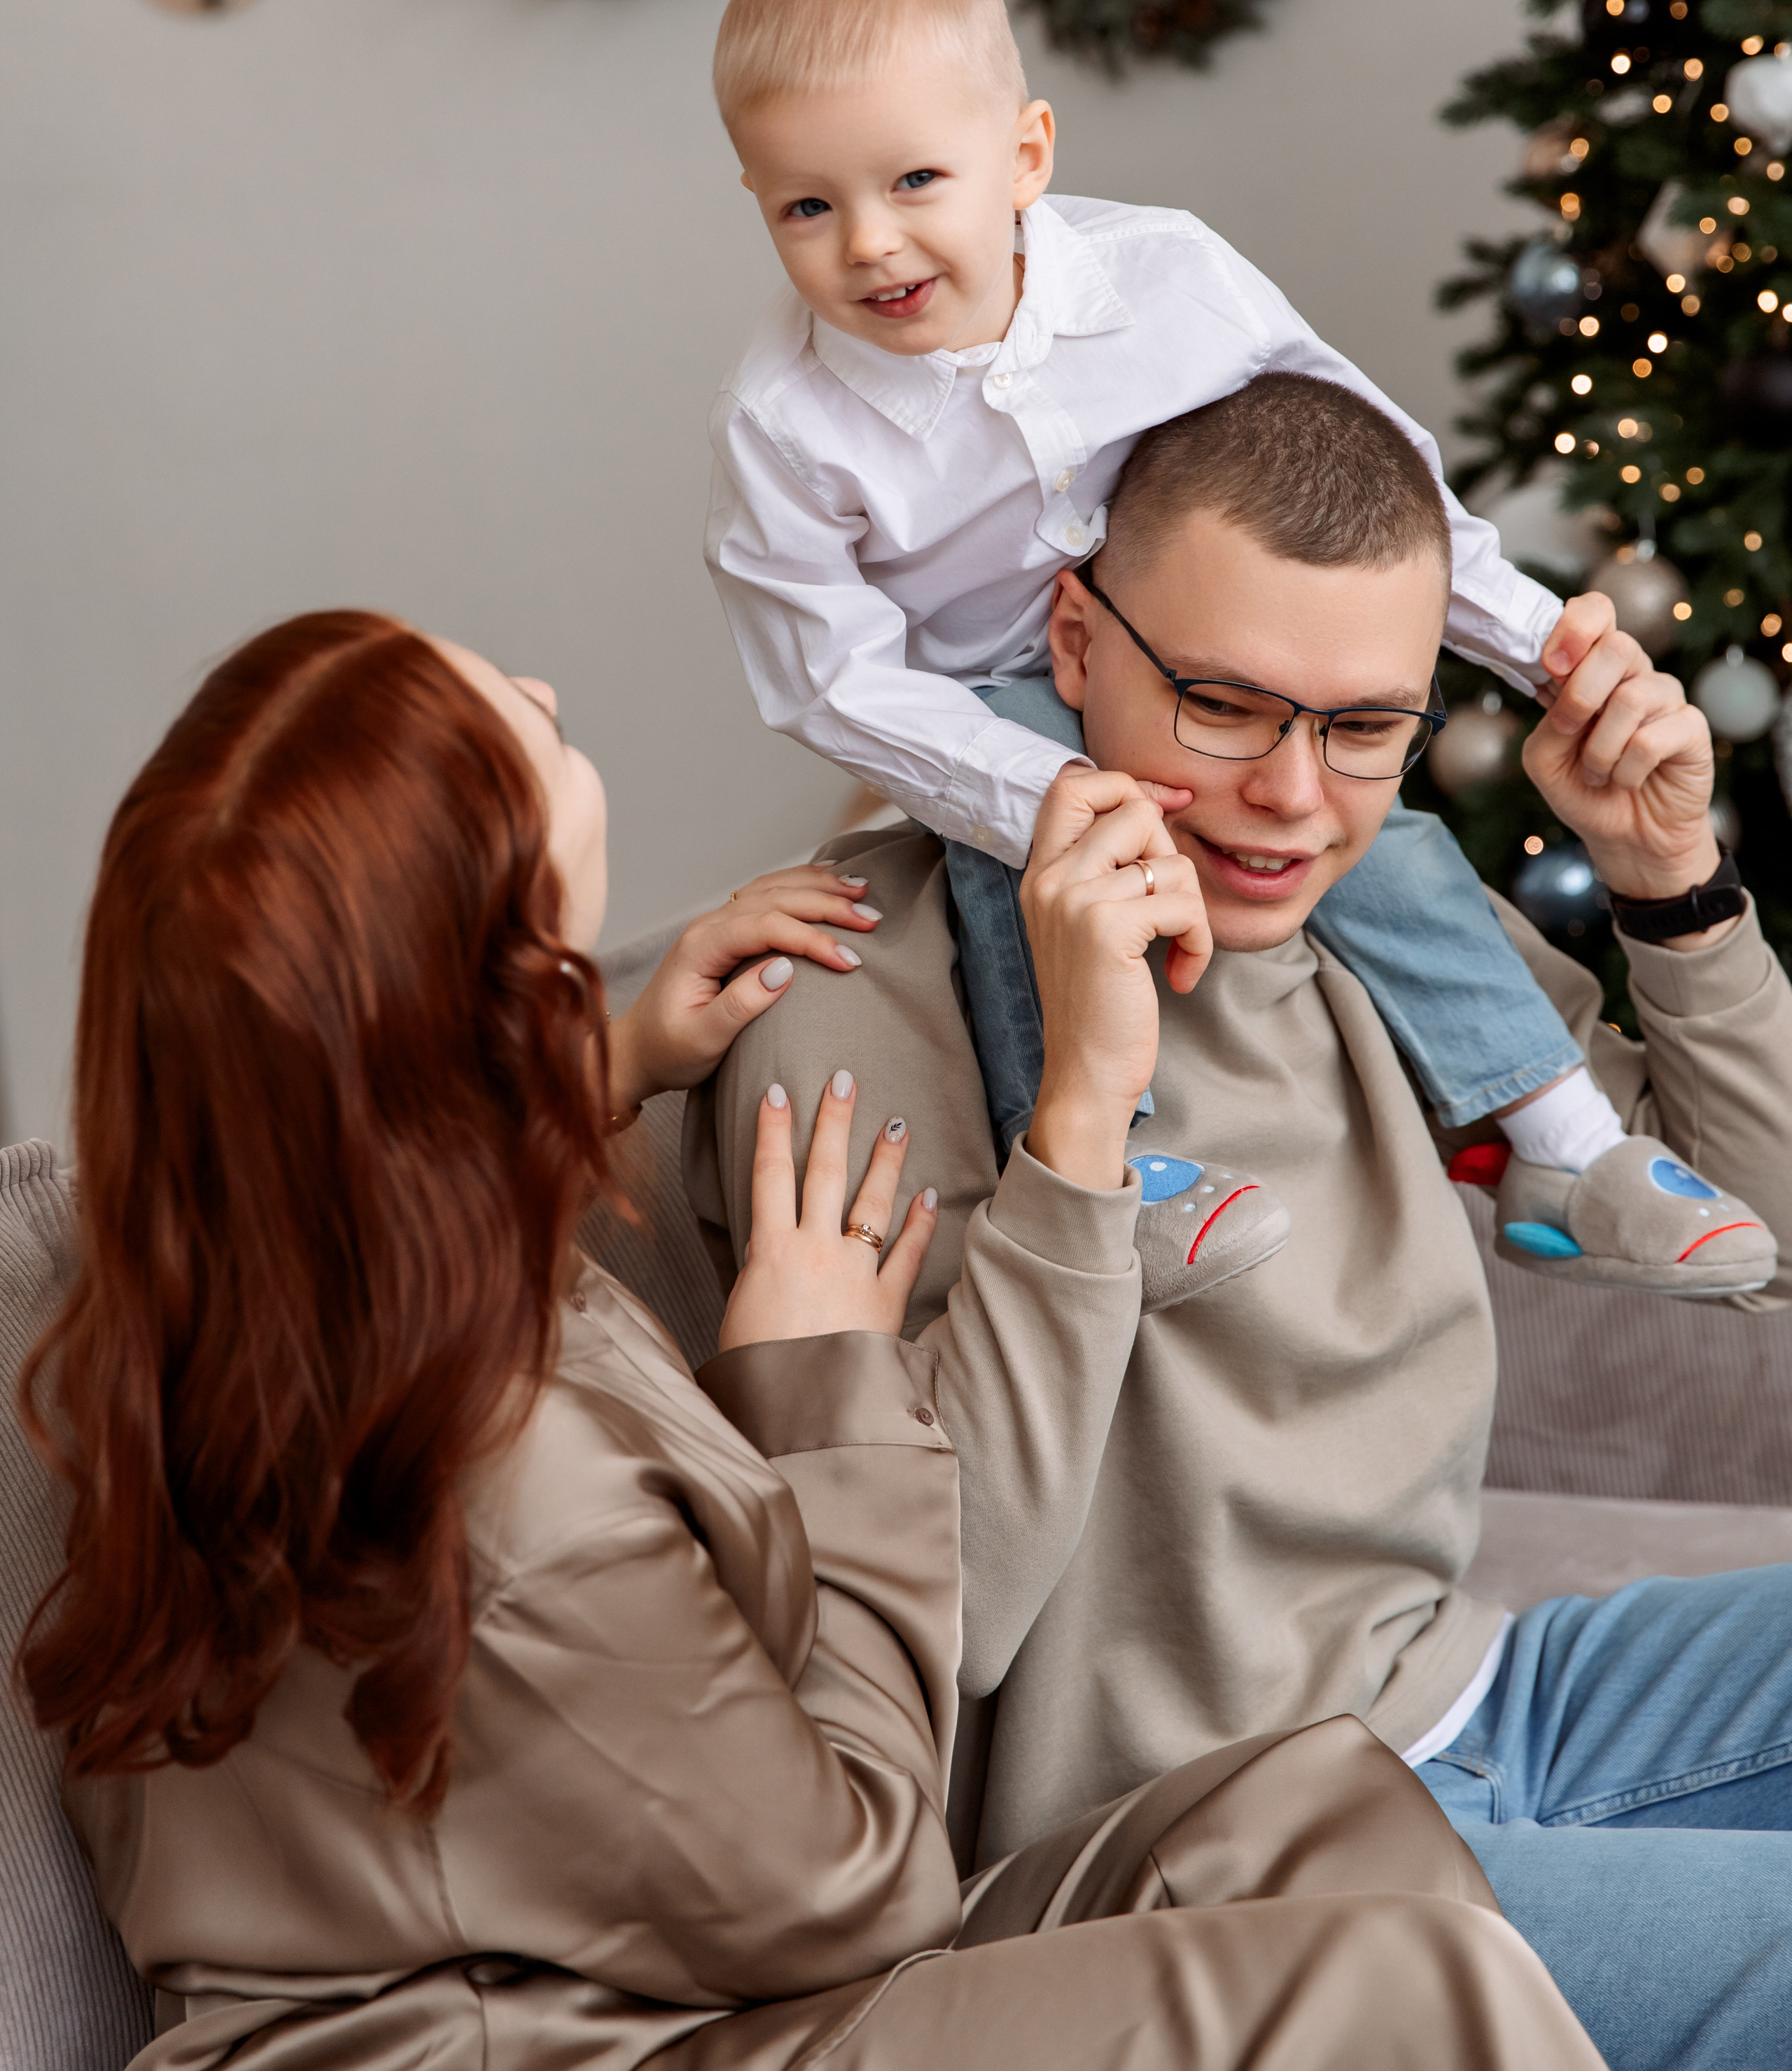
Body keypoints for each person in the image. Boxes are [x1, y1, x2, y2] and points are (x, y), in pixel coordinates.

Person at [15, 608, 1596, 2071]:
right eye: (506, 721)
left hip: (630, 1979)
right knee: (1414, 1989)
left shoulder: (220, 1272)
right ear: (491, 959)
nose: (547, 695)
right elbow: (866, 1888)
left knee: (1315, 1811)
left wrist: (596, 1054)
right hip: (581, 2040)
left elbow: (317, 1102)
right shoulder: (508, 1485)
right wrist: (823, 1380)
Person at [690, 371, 1792, 2070]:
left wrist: (1677, 894)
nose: (1296, 799)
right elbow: (928, 1612)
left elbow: (1756, 1244)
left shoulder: (1395, 929)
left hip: (1475, 1701)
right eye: (1223, 707)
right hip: (1204, 1869)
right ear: (1068, 644)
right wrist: (1076, 1117)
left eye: (1366, 728)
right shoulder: (852, 995)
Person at [703, 0, 1750, 1299]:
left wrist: (1538, 650)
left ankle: (1553, 1131)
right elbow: (825, 673)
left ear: (1024, 156)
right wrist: (1029, 788)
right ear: (759, 205)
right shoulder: (784, 424)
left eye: (913, 181)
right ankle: (1092, 1165)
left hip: (1196, 643)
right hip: (980, 709)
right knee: (1035, 880)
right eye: (808, 207)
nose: (873, 245)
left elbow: (1372, 480)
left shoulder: (1167, 280)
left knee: (1379, 839)